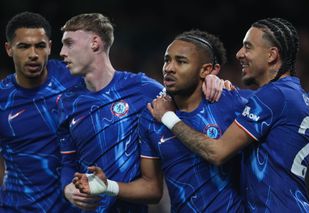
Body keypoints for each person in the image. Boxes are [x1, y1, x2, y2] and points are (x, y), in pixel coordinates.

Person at [148, 18, 309, 212]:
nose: (239, 54)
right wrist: (217, 84)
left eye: (248, 47)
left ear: (272, 55)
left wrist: (168, 117)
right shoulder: (294, 95)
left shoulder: (273, 95)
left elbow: (217, 152)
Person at [72, 29, 246, 212]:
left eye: (181, 61)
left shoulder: (231, 102)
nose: (169, 68)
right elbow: (152, 189)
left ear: (206, 70)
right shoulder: (151, 116)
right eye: (167, 60)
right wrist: (108, 186)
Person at [56, 13, 165, 212]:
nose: (62, 52)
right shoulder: (67, 102)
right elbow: (67, 162)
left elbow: (189, 104)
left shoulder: (142, 89)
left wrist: (214, 81)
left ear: (95, 43)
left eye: (69, 43)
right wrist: (67, 188)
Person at [0, 11, 81, 212]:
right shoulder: (2, 99)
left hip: (73, 206)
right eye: (24, 46)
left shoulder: (74, 76)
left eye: (40, 46)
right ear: (9, 49)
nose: (33, 54)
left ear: (50, 47)